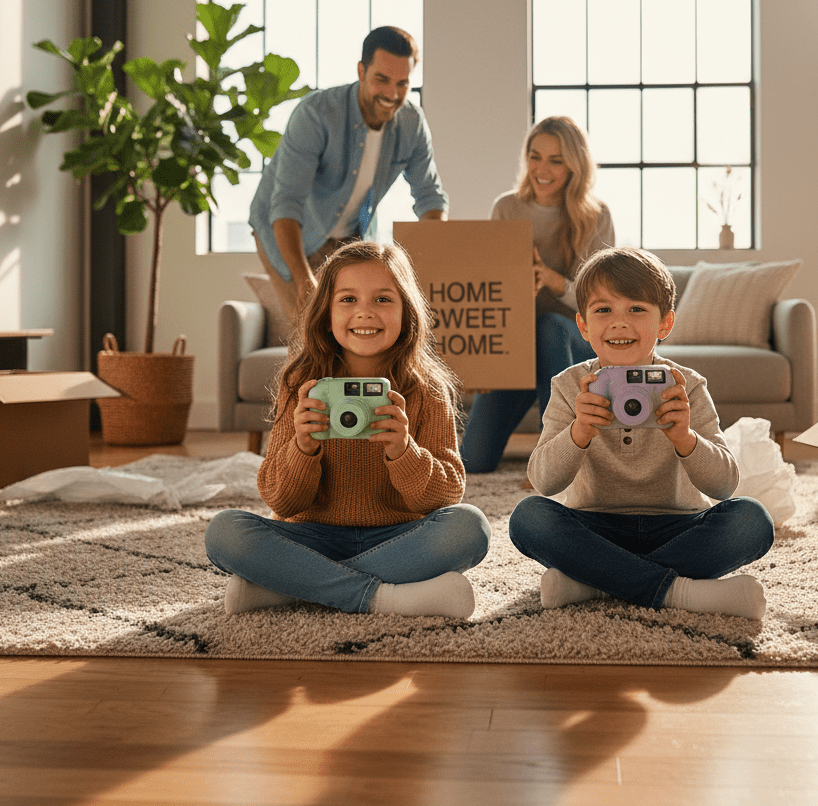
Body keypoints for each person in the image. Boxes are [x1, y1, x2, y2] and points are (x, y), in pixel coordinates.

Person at [205, 241, 491, 618]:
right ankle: (385, 598)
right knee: (225, 532)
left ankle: (293, 588)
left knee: (470, 528)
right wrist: (302, 448)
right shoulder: (303, 383)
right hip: (312, 537)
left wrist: (404, 452)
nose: (365, 313)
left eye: (384, 300)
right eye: (348, 300)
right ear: (326, 313)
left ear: (407, 311)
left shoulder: (426, 388)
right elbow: (280, 500)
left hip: (397, 536)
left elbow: (447, 495)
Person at [508, 246, 775, 620]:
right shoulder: (570, 385)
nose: (619, 323)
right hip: (596, 524)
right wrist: (578, 430)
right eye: (603, 310)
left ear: (665, 324)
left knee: (752, 519)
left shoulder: (687, 386)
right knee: (528, 517)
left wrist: (686, 438)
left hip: (677, 525)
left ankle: (595, 583)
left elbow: (723, 487)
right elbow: (544, 482)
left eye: (636, 309)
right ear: (583, 325)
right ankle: (679, 591)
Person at [249, 26, 448, 321]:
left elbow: (430, 198)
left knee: (360, 335)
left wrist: (438, 263)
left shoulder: (411, 123)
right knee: (311, 337)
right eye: (382, 80)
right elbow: (286, 204)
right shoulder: (316, 115)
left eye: (402, 84)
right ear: (361, 71)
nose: (392, 94)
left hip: (351, 238)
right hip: (292, 233)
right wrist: (304, 278)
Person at [460, 116, 614, 473]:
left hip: (574, 342)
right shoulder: (507, 208)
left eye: (556, 160)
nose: (542, 169)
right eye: (535, 156)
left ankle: (558, 455)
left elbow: (605, 305)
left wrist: (550, 279)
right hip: (518, 346)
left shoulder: (596, 216)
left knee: (549, 327)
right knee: (473, 460)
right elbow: (491, 293)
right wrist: (485, 360)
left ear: (574, 165)